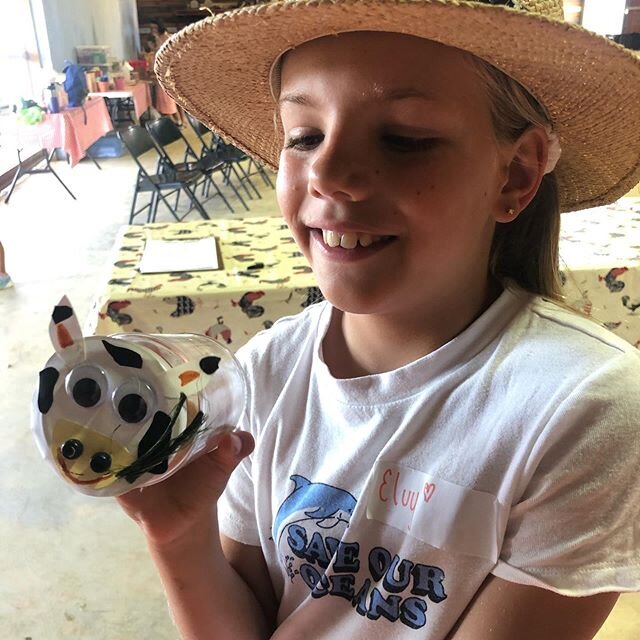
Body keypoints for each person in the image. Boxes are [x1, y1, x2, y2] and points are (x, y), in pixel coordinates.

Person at [118, 1, 640, 638]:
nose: (328, 175)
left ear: (517, 174)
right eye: (304, 136)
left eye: (405, 139)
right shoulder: (264, 373)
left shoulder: (584, 408)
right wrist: (177, 537)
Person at [148, 19, 183, 125]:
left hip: (169, 72)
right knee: (166, 98)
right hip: (161, 71)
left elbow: (170, 54)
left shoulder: (166, 37)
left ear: (159, 27)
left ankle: (178, 121)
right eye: (151, 28)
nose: (152, 30)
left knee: (168, 97)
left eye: (154, 27)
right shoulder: (157, 38)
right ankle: (177, 121)